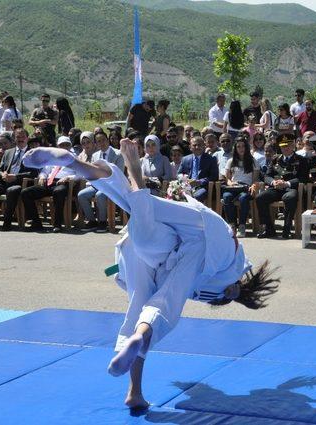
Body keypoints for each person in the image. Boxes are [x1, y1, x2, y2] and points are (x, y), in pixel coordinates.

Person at [21, 139, 279, 409]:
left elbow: (177, 288)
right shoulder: (226, 276)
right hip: (207, 238)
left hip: (163, 246)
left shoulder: (207, 279)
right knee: (159, 298)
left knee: (143, 296)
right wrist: (234, 291)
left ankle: (135, 389)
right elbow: (225, 289)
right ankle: (128, 171)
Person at [0, 128, 39, 231]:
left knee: (11, 190)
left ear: (27, 138)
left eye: (22, 137)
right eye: (18, 137)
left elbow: (34, 172)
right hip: (4, 181)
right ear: (14, 139)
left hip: (21, 183)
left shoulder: (32, 153)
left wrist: (16, 177)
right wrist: (2, 174)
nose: (20, 139)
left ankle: (7, 222)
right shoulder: (8, 152)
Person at [256, 133, 309, 239]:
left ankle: (287, 229)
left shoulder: (301, 160)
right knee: (260, 198)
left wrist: (286, 183)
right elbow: (267, 176)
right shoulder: (275, 159)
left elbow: (303, 178)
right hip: (276, 188)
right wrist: (273, 182)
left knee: (289, 198)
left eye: (288, 145)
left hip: (291, 188)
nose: (285, 148)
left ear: (293, 145)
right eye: (283, 146)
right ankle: (269, 229)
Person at [20, 136, 76, 233]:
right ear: (58, 146)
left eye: (67, 145)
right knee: (26, 193)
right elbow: (45, 171)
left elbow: (80, 174)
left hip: (63, 182)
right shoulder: (53, 157)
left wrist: (68, 178)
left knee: (59, 191)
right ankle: (36, 222)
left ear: (70, 146)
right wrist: (42, 177)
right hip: (49, 182)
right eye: (62, 145)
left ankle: (57, 224)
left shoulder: (74, 158)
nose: (64, 147)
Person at [78, 130, 125, 232]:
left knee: (100, 195)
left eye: (103, 140)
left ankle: (103, 222)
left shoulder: (118, 154)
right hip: (98, 184)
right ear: (96, 144)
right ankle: (92, 221)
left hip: (112, 185)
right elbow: (92, 173)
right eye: (98, 141)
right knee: (81, 195)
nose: (102, 143)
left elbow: (119, 173)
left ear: (108, 140)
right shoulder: (95, 156)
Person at [222, 136, 259, 238]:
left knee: (243, 198)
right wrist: (230, 183)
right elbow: (227, 179)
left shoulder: (253, 161)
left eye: (243, 146)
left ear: (246, 147)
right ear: (235, 148)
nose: (241, 149)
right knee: (226, 196)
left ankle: (242, 225)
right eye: (238, 147)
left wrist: (253, 186)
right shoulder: (231, 161)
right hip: (234, 187)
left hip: (246, 188)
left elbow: (255, 179)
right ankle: (232, 225)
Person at [179, 136, 219, 202]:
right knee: (176, 195)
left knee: (195, 197)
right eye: (194, 145)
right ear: (190, 147)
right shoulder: (185, 159)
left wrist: (199, 182)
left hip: (203, 187)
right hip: (186, 186)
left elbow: (214, 177)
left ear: (204, 146)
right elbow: (179, 174)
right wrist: (185, 180)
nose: (197, 147)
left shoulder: (211, 159)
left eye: (199, 145)